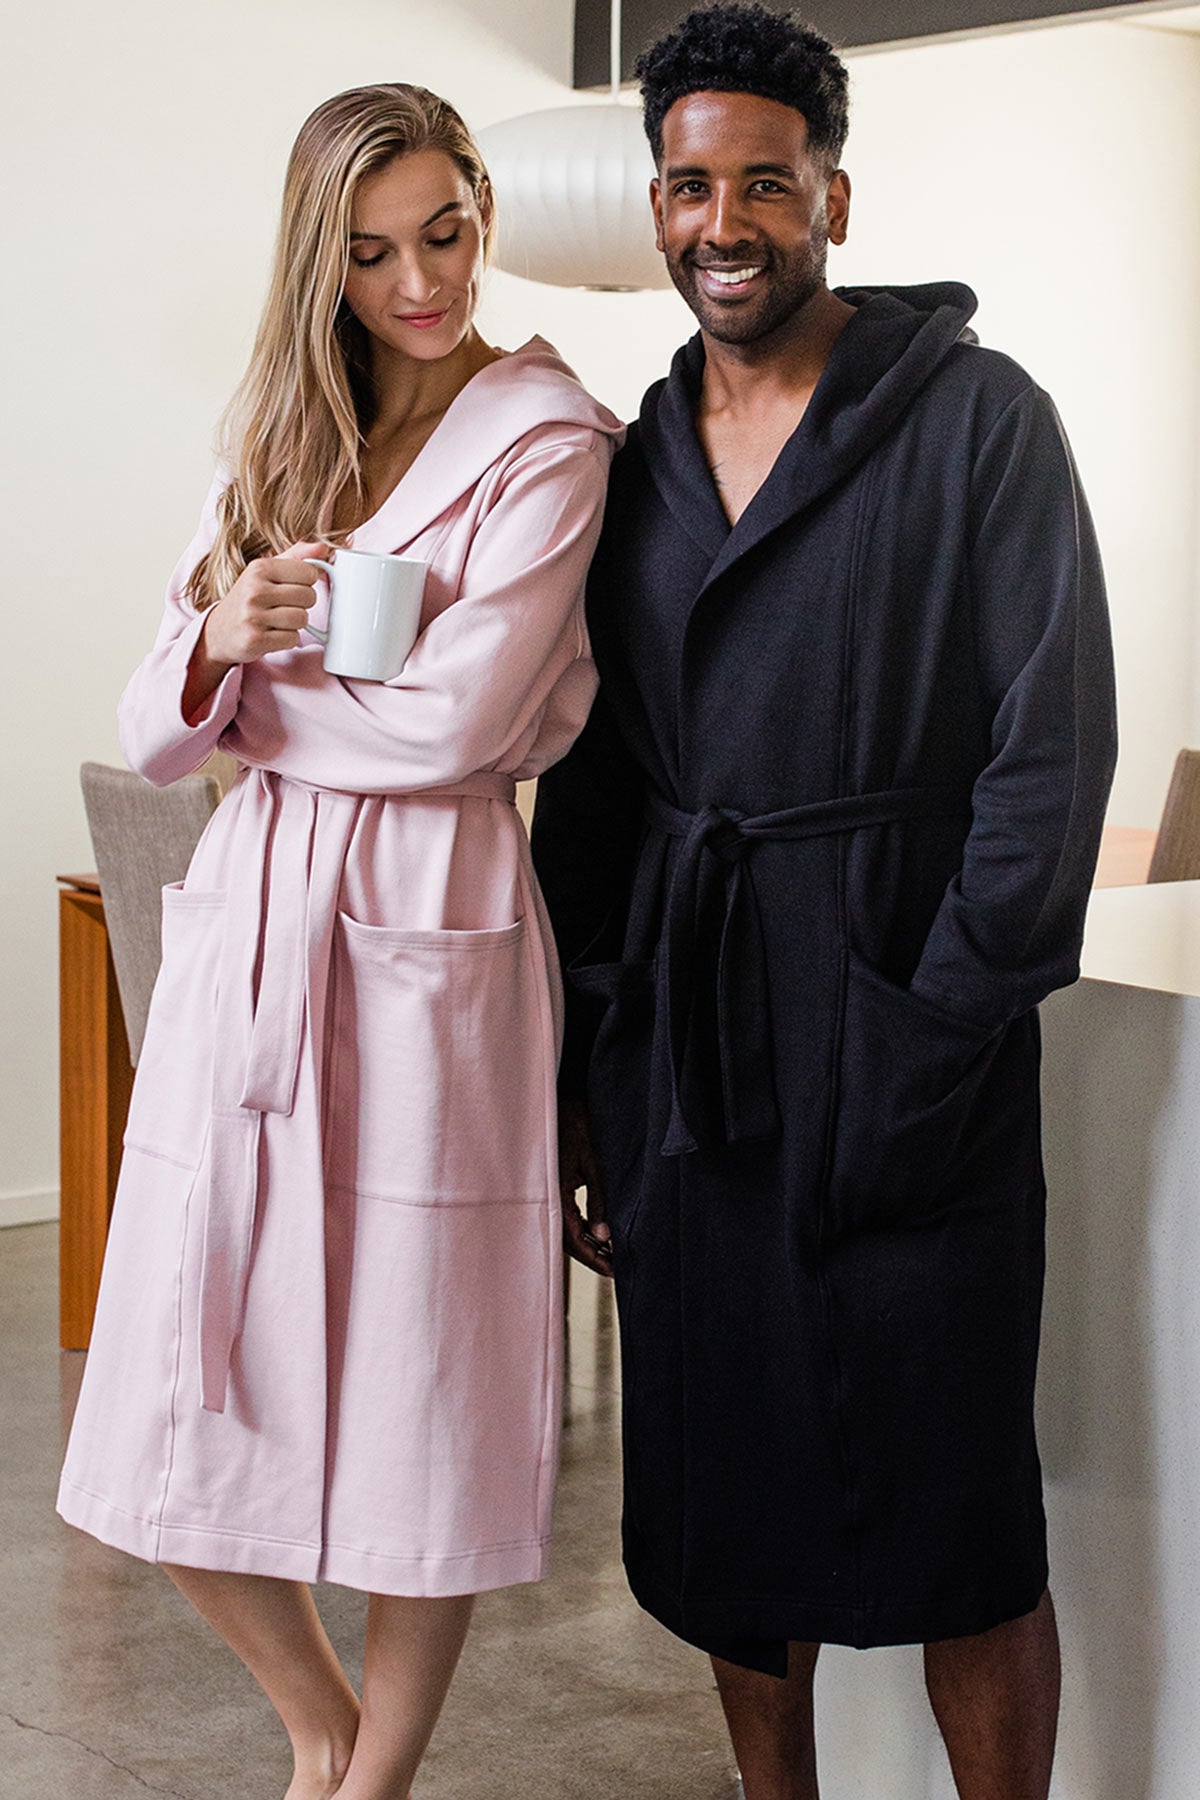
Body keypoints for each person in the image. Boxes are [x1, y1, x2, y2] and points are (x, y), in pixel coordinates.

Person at [531, 8, 1116, 1798]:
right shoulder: (627, 470)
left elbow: (1049, 757)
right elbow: (600, 791)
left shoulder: (979, 425)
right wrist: (588, 1079)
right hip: (695, 1069)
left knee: (965, 1528)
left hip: (898, 1039)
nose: (727, 222)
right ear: (654, 207)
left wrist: (939, 1023)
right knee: (727, 1514)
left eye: (765, 185)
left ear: (834, 199)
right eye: (692, 185)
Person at [58, 82, 622, 1800]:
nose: (420, 282)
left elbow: (455, 730)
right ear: (324, 263)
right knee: (175, 1366)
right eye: (374, 254)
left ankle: (367, 1782)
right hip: (255, 944)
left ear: (483, 218)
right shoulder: (276, 447)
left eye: (444, 234)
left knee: (419, 1385)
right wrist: (224, 636)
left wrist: (253, 702)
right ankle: (317, 1723)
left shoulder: (550, 439)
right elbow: (158, 726)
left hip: (433, 921)